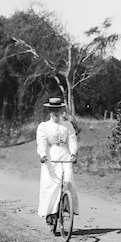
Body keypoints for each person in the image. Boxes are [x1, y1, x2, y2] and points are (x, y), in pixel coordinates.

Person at [36, 97, 79, 229]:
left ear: (61, 110)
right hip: (51, 158)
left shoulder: (67, 125)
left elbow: (72, 140)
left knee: (67, 181)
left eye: (57, 110)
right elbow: (41, 143)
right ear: (49, 111)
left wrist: (73, 153)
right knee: (52, 186)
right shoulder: (44, 126)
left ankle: (66, 207)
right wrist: (43, 155)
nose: (55, 112)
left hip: (65, 155)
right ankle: (50, 214)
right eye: (52, 110)